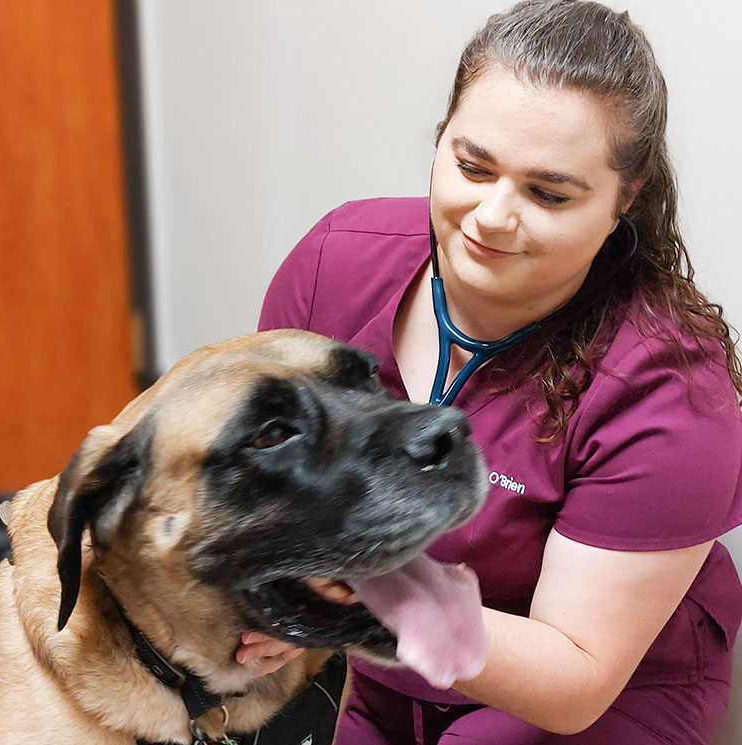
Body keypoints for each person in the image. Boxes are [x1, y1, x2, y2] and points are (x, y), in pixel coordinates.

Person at [238, 1, 742, 742]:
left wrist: (355, 596)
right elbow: (265, 472)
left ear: (624, 198)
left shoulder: (669, 389)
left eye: (548, 193)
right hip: (379, 655)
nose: (491, 216)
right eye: (472, 166)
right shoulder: (335, 265)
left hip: (584, 687)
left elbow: (573, 680)